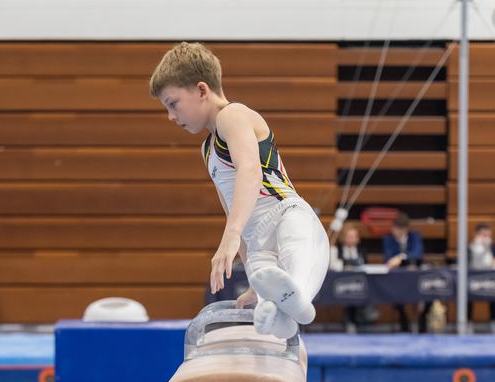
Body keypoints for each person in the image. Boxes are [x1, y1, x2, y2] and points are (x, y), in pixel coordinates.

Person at [149, 42, 329, 339]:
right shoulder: (208, 151)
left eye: (173, 103)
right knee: (265, 276)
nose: (170, 115)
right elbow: (234, 213)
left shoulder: (232, 115)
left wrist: (229, 237)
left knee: (298, 249)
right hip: (257, 241)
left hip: (285, 212)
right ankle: (279, 312)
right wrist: (253, 285)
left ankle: (298, 299)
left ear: (202, 90)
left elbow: (250, 170)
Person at [382, 212, 429, 332]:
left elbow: (417, 253)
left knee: (429, 292)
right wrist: (398, 260)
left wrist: (401, 257)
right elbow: (388, 258)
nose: (395, 231)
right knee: (395, 295)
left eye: (398, 229)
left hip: (415, 276)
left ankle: (422, 321)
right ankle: (404, 323)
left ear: (405, 229)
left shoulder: (414, 237)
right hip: (397, 278)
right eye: (394, 228)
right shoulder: (388, 239)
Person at [329, 223, 377, 333]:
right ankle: (349, 321)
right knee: (349, 293)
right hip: (340, 283)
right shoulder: (337, 249)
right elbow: (334, 265)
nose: (352, 239)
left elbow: (365, 266)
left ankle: (359, 320)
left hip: (359, 283)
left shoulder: (361, 250)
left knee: (360, 292)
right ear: (344, 238)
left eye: (354, 237)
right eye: (350, 236)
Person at [468, 222, 495, 334]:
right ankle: (468, 322)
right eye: (483, 235)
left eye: (488, 235)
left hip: (491, 281)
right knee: (465, 294)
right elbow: (462, 262)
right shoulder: (470, 247)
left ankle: (494, 322)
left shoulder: (494, 247)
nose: (486, 238)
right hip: (472, 281)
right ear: (476, 235)